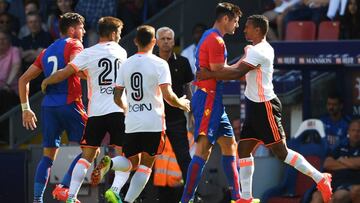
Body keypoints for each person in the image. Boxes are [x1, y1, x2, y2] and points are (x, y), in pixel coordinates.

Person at [196, 14, 333, 203]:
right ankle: (246, 197)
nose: (244, 30)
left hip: (265, 106)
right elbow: (237, 68)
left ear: (258, 30)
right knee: (243, 150)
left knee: (281, 153)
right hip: (254, 106)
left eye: (248, 27)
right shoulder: (257, 49)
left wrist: (209, 74)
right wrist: (232, 62)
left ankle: (320, 178)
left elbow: (237, 73)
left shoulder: (258, 51)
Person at [90, 25, 190, 203]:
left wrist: (127, 109)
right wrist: (182, 103)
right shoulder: (160, 64)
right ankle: (128, 201)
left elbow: (117, 96)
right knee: (145, 165)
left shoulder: (125, 63)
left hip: (132, 121)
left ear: (135, 41)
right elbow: (168, 96)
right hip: (153, 121)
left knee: (131, 163)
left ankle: (111, 163)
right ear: (154, 42)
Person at [41, 16, 128, 203]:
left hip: (96, 113)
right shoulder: (122, 52)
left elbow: (67, 72)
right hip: (118, 110)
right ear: (113, 33)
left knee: (87, 157)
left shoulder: (89, 53)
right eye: (119, 33)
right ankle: (115, 189)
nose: (120, 37)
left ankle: (71, 196)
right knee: (125, 156)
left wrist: (48, 80)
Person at [18, 12, 86, 203]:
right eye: (81, 28)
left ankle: (37, 199)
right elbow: (77, 67)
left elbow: (23, 79)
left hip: (49, 107)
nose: (84, 31)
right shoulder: (75, 44)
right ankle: (64, 187)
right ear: (72, 30)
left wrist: (25, 108)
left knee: (47, 156)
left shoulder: (45, 52)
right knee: (90, 149)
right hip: (71, 103)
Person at [180, 2, 242, 203]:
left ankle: (237, 197)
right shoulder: (216, 40)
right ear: (226, 19)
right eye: (236, 21)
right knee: (203, 150)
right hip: (208, 98)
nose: (237, 25)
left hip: (213, 99)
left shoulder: (209, 35)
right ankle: (186, 199)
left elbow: (216, 71)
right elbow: (220, 70)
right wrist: (244, 68)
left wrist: (218, 72)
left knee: (230, 144)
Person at [154, 26, 194, 202]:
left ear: (173, 41)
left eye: (169, 38)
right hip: (154, 117)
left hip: (177, 117)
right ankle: (137, 196)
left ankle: (190, 195)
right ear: (156, 41)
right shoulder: (150, 62)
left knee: (184, 157)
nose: (166, 41)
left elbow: (188, 88)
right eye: (162, 38)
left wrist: (192, 111)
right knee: (145, 158)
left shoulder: (183, 62)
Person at [311, 119, 360, 203]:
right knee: (317, 197)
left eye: (359, 131)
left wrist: (341, 159)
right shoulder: (340, 146)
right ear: (348, 132)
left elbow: (358, 164)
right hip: (335, 183)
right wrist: (351, 163)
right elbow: (327, 164)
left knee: (335, 198)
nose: (356, 133)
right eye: (353, 130)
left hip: (350, 185)